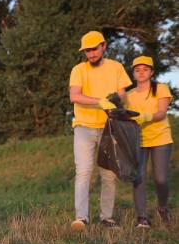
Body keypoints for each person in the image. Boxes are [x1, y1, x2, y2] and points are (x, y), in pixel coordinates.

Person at [69, 31, 132, 232]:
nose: (91, 54)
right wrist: (99, 101)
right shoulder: (78, 69)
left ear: (104, 45)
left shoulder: (116, 67)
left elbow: (122, 93)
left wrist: (115, 99)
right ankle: (81, 218)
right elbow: (74, 96)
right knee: (83, 172)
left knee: (109, 174)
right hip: (84, 127)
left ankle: (107, 218)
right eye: (87, 50)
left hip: (109, 128)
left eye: (94, 49)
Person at [126, 56, 173, 228]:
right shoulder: (129, 95)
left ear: (152, 72)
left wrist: (147, 116)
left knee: (160, 179)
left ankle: (162, 207)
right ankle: (142, 217)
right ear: (133, 74)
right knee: (138, 177)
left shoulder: (161, 88)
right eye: (137, 70)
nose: (141, 72)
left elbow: (162, 112)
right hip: (138, 140)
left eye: (145, 69)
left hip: (161, 137)